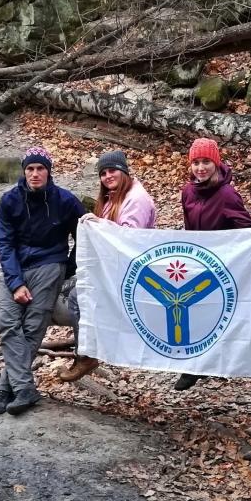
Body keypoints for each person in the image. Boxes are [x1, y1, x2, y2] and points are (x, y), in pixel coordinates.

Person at [0, 147, 86, 416]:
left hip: (50, 265)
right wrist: (15, 282)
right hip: (17, 267)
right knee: (7, 321)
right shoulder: (10, 201)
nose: (35, 174)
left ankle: (5, 389)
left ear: (48, 171)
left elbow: (85, 234)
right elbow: (5, 244)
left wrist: (68, 266)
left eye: (40, 168)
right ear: (24, 171)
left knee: (33, 325)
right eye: (30, 169)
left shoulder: (64, 200)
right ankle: (23, 388)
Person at [59, 149, 156, 383]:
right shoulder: (114, 196)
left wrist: (99, 224)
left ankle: (87, 355)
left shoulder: (136, 199)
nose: (107, 176)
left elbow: (128, 240)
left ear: (123, 171)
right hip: (114, 266)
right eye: (103, 173)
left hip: (131, 271)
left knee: (76, 297)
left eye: (112, 171)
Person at [174, 138, 251, 391]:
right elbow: (189, 226)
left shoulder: (227, 194)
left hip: (224, 261)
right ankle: (193, 365)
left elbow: (246, 227)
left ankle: (225, 363)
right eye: (196, 162)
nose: (201, 168)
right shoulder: (188, 191)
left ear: (216, 163)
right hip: (199, 259)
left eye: (206, 162)